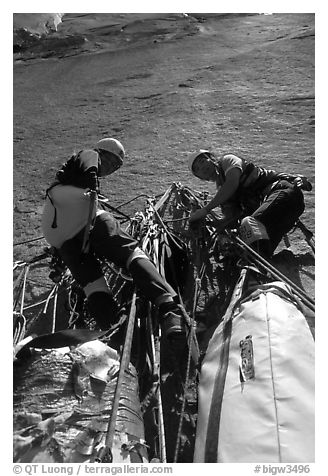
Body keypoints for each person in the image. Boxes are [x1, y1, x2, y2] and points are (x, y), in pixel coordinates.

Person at [41, 138, 186, 343]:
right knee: (131, 252)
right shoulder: (89, 155)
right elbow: (90, 164)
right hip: (84, 221)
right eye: (112, 160)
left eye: (117, 166)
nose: (112, 168)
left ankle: (113, 330)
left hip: (64, 241)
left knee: (93, 285)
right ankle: (169, 307)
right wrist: (93, 185)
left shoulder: (72, 182)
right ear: (102, 152)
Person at [188, 149, 312, 257]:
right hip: (279, 218)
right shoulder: (223, 194)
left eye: (203, 161)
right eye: (197, 169)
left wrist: (205, 210)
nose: (202, 167)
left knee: (249, 224)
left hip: (284, 193)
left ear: (212, 159)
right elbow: (231, 219)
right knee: (252, 249)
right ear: (200, 177)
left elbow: (232, 183)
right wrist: (211, 223)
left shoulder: (228, 161)